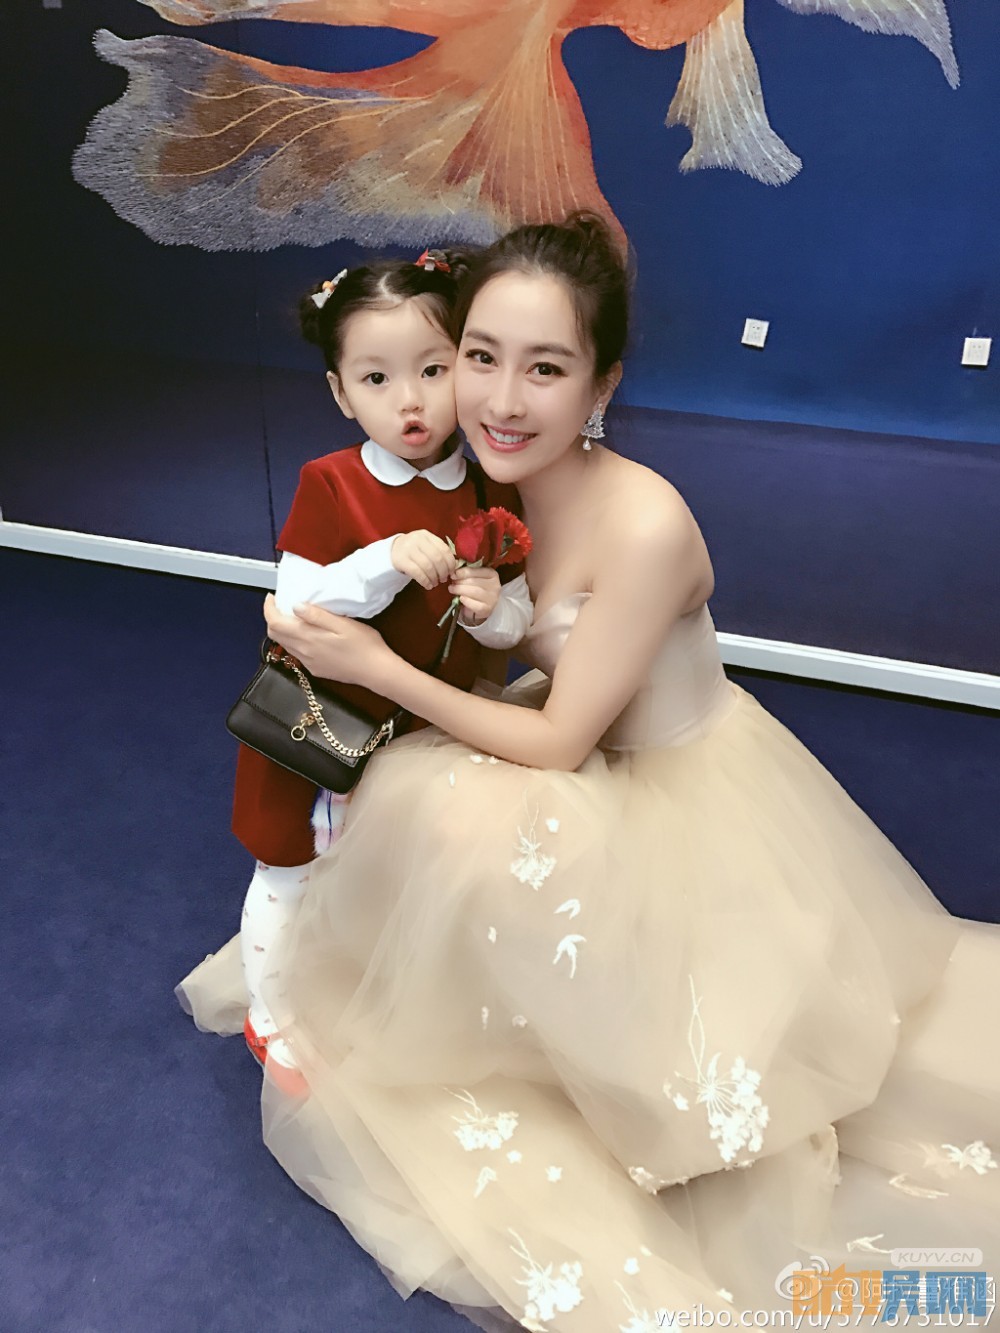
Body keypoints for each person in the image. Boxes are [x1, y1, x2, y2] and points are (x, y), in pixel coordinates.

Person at [181, 215, 1000, 1331]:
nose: (500, 399)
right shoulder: (485, 487)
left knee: (463, 821)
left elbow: (561, 739)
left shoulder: (645, 522)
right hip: (572, 750)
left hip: (668, 782)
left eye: (546, 368)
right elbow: (442, 628)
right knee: (429, 810)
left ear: (602, 383)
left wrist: (374, 668)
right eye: (480, 357)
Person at [228, 250, 532, 1078]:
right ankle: (270, 1014)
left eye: (434, 370)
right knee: (289, 870)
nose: (410, 401)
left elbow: (517, 619)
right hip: (317, 726)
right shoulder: (331, 483)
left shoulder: (490, 491)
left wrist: (493, 607)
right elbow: (297, 606)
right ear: (340, 392)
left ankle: (360, 994)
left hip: (420, 731)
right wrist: (385, 558)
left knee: (388, 876)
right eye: (375, 378)